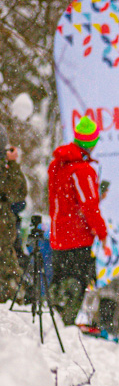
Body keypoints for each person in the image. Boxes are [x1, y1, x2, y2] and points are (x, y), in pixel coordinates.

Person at [47, 116, 109, 326]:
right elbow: (88, 207)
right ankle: (64, 326)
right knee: (75, 285)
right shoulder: (83, 170)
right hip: (77, 238)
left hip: (58, 236)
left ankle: (53, 324)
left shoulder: (56, 165)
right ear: (92, 142)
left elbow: (65, 200)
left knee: (58, 282)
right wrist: (102, 232)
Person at [0, 124, 27, 303]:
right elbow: (18, 192)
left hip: (5, 239)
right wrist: (11, 164)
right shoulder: (5, 170)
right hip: (4, 242)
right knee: (10, 278)